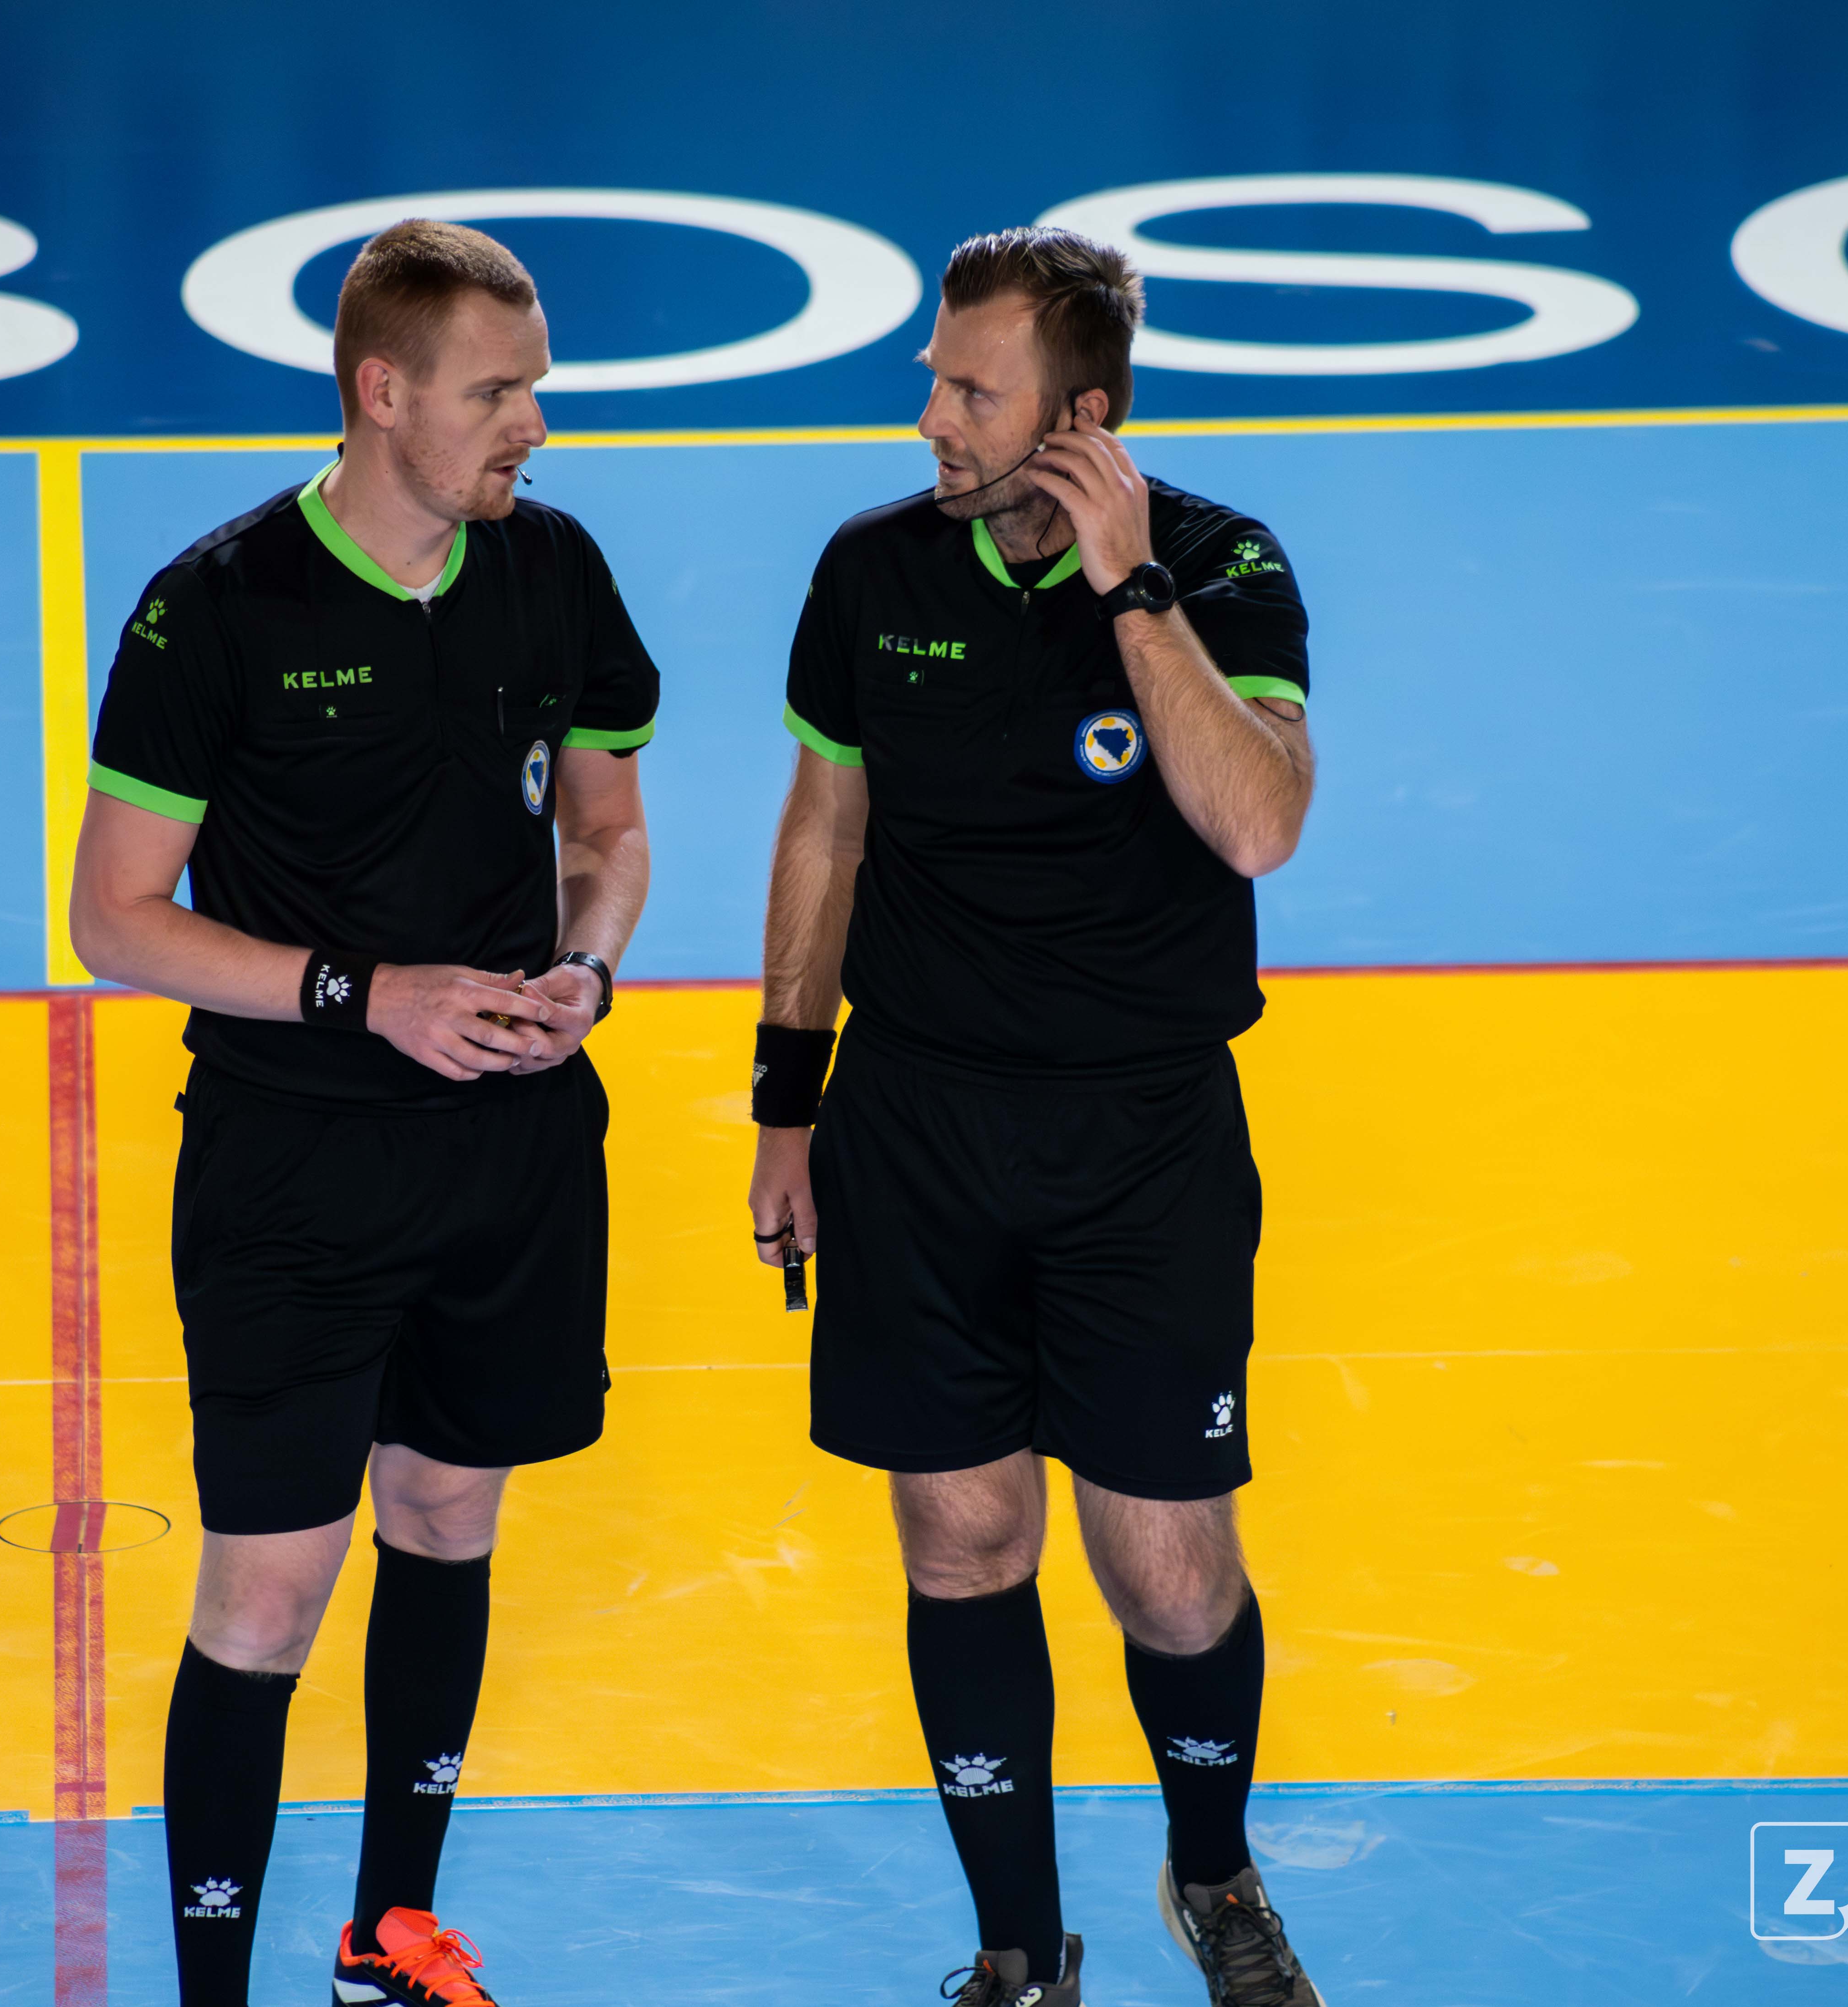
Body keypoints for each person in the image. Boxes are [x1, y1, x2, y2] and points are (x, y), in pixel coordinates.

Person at [71, 219, 657, 2007]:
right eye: (495, 392)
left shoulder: (553, 567)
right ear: (380, 393)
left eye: (536, 387)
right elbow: (115, 919)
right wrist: (366, 992)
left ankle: (389, 1937)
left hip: (511, 1151)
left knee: (449, 1519)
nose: (531, 423)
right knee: (268, 1589)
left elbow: (607, 831)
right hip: (296, 1165)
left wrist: (586, 970)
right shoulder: (216, 606)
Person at [746, 226, 1323, 2007]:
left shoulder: (1221, 566)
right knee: (964, 1539)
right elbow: (824, 830)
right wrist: (785, 1101)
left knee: (1168, 1566)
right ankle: (1018, 1948)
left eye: (971, 390)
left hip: (1142, 1141)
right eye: (936, 378)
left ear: (1083, 419)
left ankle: (1213, 1876)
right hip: (916, 1129)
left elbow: (1258, 823)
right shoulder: (871, 569)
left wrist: (1130, 591)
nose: (932, 415)